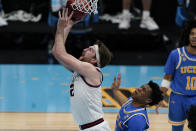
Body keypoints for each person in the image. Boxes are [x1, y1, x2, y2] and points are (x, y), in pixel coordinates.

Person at [52, 8, 112, 130]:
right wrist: (68, 26)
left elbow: (60, 53)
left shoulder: (90, 70)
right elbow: (56, 51)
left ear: (94, 60)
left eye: (90, 50)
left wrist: (60, 29)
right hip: (88, 128)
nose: (85, 49)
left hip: (96, 128)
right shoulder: (82, 71)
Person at [158, 21, 196, 131]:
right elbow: (167, 77)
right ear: (187, 35)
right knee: (176, 129)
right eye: (192, 34)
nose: (195, 37)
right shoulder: (176, 54)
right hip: (178, 98)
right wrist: (160, 96)